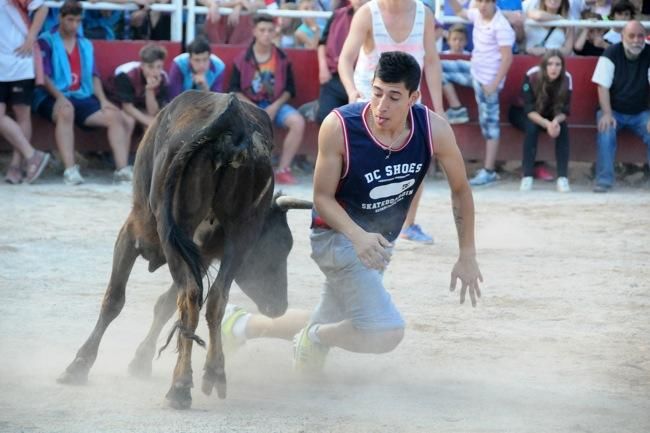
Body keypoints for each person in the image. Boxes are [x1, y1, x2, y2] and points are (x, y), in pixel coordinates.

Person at [220, 52, 483, 373]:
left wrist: (467, 253)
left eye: (394, 97)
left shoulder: (434, 130)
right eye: (376, 92)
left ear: (414, 98)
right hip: (335, 237)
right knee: (385, 331)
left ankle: (238, 325)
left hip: (378, 242)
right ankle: (314, 339)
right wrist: (358, 237)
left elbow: (460, 190)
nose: (382, 105)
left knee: (339, 319)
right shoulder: (340, 126)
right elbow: (321, 198)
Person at [338, 0, 444, 244]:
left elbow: (432, 61)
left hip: (408, 101)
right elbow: (345, 59)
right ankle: (357, 219)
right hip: (370, 98)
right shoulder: (367, 14)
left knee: (417, 161)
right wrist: (352, 91)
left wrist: (438, 108)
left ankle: (408, 224)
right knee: (362, 165)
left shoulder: (424, 14)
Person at [34, 0, 135, 185]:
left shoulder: (85, 44)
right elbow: (44, 78)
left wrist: (103, 100)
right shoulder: (46, 40)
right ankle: (70, 170)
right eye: (70, 20)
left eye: (78, 21)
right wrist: (60, 97)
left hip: (81, 96)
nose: (74, 25)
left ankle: (122, 170)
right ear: (60, 18)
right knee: (66, 110)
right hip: (51, 96)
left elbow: (94, 77)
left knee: (115, 116)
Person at [443, 0, 515, 186]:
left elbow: (507, 58)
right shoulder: (476, 14)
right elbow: (460, 12)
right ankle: (457, 108)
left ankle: (489, 171)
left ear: (493, 3)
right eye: (480, 1)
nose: (482, 5)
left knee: (489, 126)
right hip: (473, 71)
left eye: (486, 2)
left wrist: (494, 84)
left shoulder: (501, 25)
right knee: (438, 68)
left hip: (488, 81)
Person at [229, 14, 305, 185]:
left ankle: (283, 169)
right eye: (262, 30)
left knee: (297, 122)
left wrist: (275, 107)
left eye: (270, 30)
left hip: (276, 105)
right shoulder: (242, 59)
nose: (266, 34)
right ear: (254, 32)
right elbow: (234, 90)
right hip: (249, 105)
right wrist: (255, 109)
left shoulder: (283, 58)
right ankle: (249, 170)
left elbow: (289, 90)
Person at [591, 20, 650, 192]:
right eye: (631, 36)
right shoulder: (611, 53)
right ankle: (604, 181)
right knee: (606, 130)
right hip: (613, 110)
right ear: (622, 36)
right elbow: (602, 86)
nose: (636, 40)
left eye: (640, 36)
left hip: (641, 112)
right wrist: (607, 114)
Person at [1, 0, 50, 184]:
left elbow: (42, 6)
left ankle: (16, 166)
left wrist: (30, 38)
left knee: (22, 114)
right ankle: (32, 155)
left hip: (19, 58)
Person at [510, 50, 573, 192]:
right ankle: (527, 176)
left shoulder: (567, 78)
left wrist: (555, 122)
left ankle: (563, 178)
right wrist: (547, 124)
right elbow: (529, 110)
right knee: (532, 127)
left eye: (558, 64)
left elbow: (564, 111)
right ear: (544, 66)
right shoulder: (532, 75)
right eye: (550, 64)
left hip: (550, 115)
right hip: (521, 113)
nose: (554, 68)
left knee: (562, 128)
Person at [315, 0, 368, 124]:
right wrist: (323, 68)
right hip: (335, 77)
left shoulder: (377, 16)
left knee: (361, 123)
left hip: (365, 79)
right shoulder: (338, 15)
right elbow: (322, 43)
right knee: (325, 119)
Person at [111, 43, 169, 128]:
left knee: (154, 124)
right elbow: (127, 106)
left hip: (141, 106)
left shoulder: (163, 77)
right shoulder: (126, 74)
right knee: (128, 121)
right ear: (142, 65)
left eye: (159, 67)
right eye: (150, 67)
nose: (155, 71)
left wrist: (150, 90)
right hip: (118, 105)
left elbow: (152, 112)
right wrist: (148, 121)